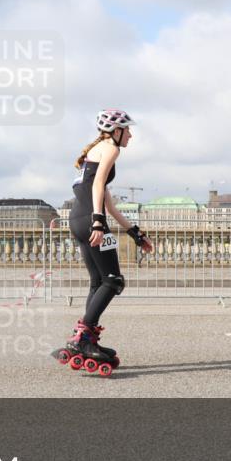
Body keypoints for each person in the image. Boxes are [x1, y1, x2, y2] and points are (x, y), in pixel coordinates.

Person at [52, 109, 153, 376]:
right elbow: (97, 187)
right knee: (113, 280)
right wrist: (98, 221)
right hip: (91, 222)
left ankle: (87, 339)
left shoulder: (94, 152)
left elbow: (109, 202)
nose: (130, 134)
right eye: (128, 130)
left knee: (99, 282)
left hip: (79, 220)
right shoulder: (110, 148)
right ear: (116, 131)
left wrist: (135, 233)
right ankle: (82, 339)